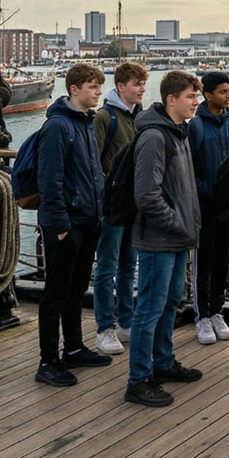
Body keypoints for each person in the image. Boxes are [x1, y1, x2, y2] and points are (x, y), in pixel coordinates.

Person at [124, 70, 203, 408]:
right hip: (160, 239)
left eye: (196, 96)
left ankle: (163, 360)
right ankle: (139, 379)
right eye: (190, 96)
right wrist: (177, 225)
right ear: (171, 99)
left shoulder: (179, 133)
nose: (196, 102)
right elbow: (146, 194)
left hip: (177, 237)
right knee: (150, 309)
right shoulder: (156, 137)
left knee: (170, 303)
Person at [35, 63, 112, 387]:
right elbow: (49, 181)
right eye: (93, 87)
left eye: (99, 86)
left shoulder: (86, 124)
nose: (98, 92)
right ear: (74, 90)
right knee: (56, 292)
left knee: (77, 289)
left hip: (87, 221)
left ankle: (75, 347)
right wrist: (60, 226)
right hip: (66, 225)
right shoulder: (58, 127)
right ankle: (48, 361)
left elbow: (92, 174)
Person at [92, 61, 149, 355]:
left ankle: (125, 321)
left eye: (143, 84)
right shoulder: (105, 118)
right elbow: (94, 161)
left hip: (135, 204)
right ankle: (105, 327)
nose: (141, 89)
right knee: (106, 267)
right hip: (113, 206)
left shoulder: (140, 118)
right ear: (121, 87)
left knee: (129, 265)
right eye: (136, 84)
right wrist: (106, 193)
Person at [187, 70, 229, 345]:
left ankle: (217, 311)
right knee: (203, 262)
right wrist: (204, 191)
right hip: (204, 207)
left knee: (222, 262)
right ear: (208, 96)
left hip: (227, 209)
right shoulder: (195, 126)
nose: (227, 95)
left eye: (228, 91)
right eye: (222, 91)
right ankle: (202, 316)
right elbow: (190, 166)